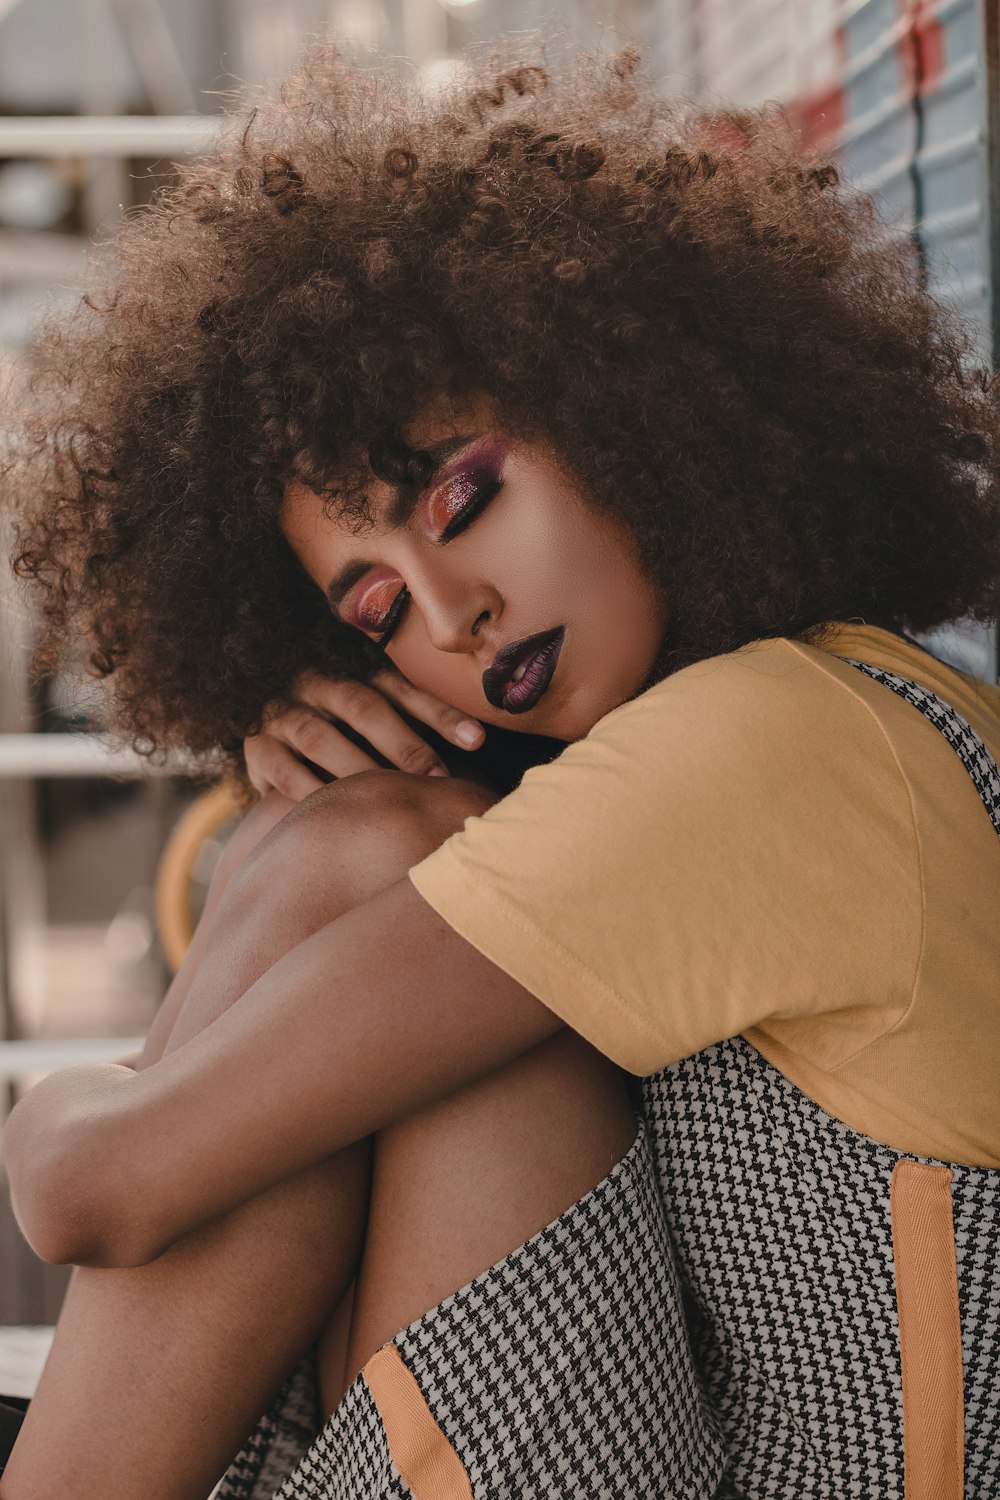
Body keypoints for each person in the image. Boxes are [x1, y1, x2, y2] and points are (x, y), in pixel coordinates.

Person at [2, 41, 999, 1500]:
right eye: (377, 610)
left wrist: (59, 1100)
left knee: (365, 870)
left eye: (465, 496)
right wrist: (299, 774)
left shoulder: (764, 746)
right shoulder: (823, 699)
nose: (454, 611)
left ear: (630, 405)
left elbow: (94, 1190)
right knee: (364, 886)